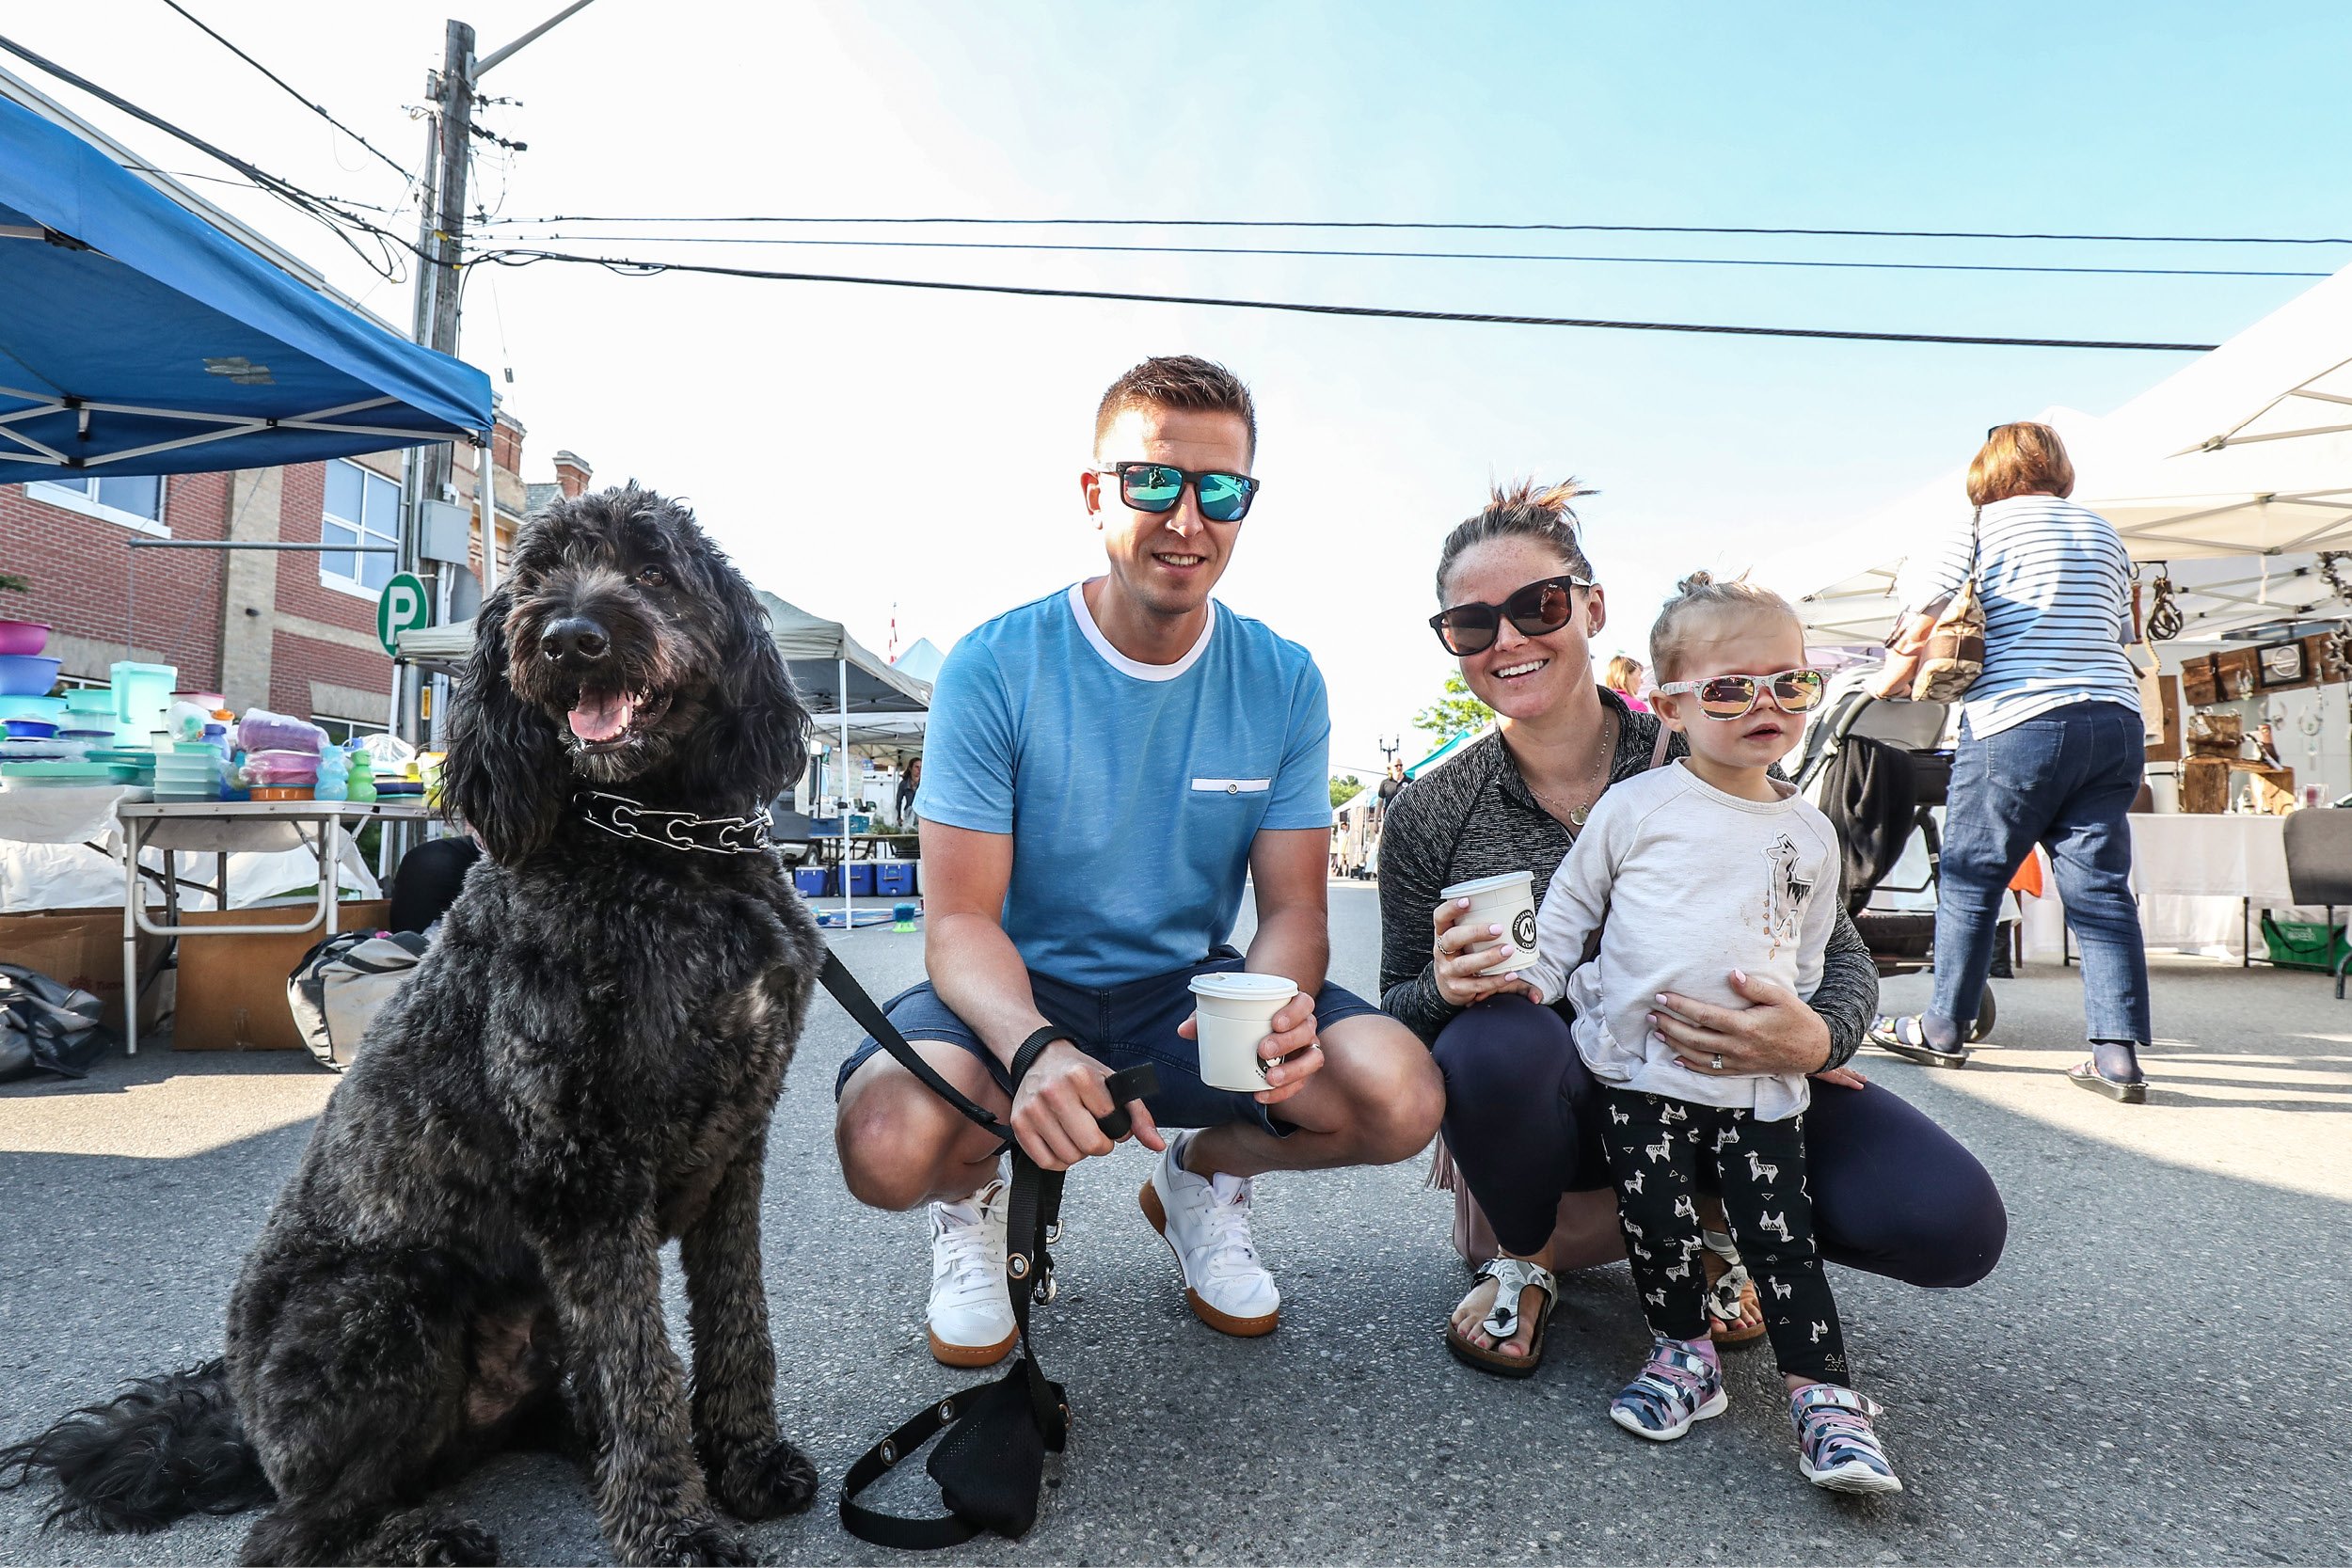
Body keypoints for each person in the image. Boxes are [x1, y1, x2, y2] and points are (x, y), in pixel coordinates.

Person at [834, 355, 1442, 1367]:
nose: (1186, 517)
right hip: (1018, 989)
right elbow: (958, 922)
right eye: (1152, 480)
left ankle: (1201, 1174)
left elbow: (1294, 908)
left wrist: (1276, 1003)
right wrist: (1030, 1046)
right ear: (1095, 493)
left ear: (1247, 502)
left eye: (1220, 489)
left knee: (1400, 1094)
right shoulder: (995, 663)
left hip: (1182, 997)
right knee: (885, 1143)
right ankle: (973, 1190)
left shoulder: (1282, 677)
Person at [1376, 480, 2007, 1376]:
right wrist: (1440, 987)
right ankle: (1532, 1250)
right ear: (1452, 643)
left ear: (1593, 609)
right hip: (1554, 1103)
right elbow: (1395, 1012)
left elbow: (1836, 949)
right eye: (1473, 624)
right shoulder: (1434, 809)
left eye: (1539, 605)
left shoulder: (1706, 739)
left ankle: (1708, 1227)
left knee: (1950, 1219)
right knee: (1494, 1045)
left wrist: (1815, 1036)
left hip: (1733, 1076)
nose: (1509, 639)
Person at [1523, 573, 1899, 1492]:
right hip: (1637, 1071)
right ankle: (1682, 1357)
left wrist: (1811, 1038)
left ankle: (1825, 1399)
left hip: (1757, 1085)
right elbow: (1569, 907)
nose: (1764, 704)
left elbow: (1809, 955)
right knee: (1654, 1223)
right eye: (1731, 687)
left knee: (1781, 1235)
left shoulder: (1810, 831)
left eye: (1789, 682)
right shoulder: (1638, 804)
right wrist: (1532, 987)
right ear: (1672, 705)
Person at [1867, 422, 2153, 1102]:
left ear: (1987, 472)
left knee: (1972, 877)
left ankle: (1943, 1027)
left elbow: (1919, 624)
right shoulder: (2102, 532)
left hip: (2017, 720)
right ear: (2057, 467)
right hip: (2114, 720)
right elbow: (2120, 632)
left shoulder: (1973, 529)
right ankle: (2117, 1057)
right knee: (2102, 891)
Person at [894, 755, 922, 825]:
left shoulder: (925, 784)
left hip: (922, 816)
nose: (919, 770)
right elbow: (898, 801)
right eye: (917, 767)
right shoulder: (904, 784)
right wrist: (898, 817)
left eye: (921, 767)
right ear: (910, 768)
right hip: (908, 815)